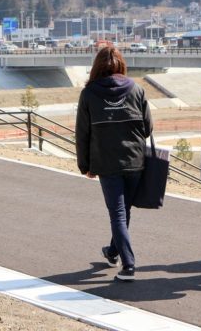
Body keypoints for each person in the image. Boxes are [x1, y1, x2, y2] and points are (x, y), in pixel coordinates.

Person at [75, 46, 153, 282]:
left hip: (106, 162)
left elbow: (82, 133)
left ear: (97, 67)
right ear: (121, 65)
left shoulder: (89, 94)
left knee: (118, 214)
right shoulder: (136, 89)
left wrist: (84, 165)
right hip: (134, 160)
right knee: (123, 211)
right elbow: (148, 128)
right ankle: (112, 252)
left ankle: (128, 265)